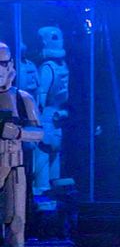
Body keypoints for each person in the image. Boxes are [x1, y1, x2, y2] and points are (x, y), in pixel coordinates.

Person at [0, 42, 43, 247]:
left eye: (2, 63)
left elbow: (39, 132)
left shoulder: (22, 97)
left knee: (16, 224)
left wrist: (18, 133)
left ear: (10, 65)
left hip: (14, 166)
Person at [34, 25, 70, 196]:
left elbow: (42, 93)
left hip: (51, 115)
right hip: (52, 116)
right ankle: (45, 192)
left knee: (47, 155)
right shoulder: (55, 67)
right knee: (47, 155)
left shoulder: (49, 67)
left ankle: (48, 191)